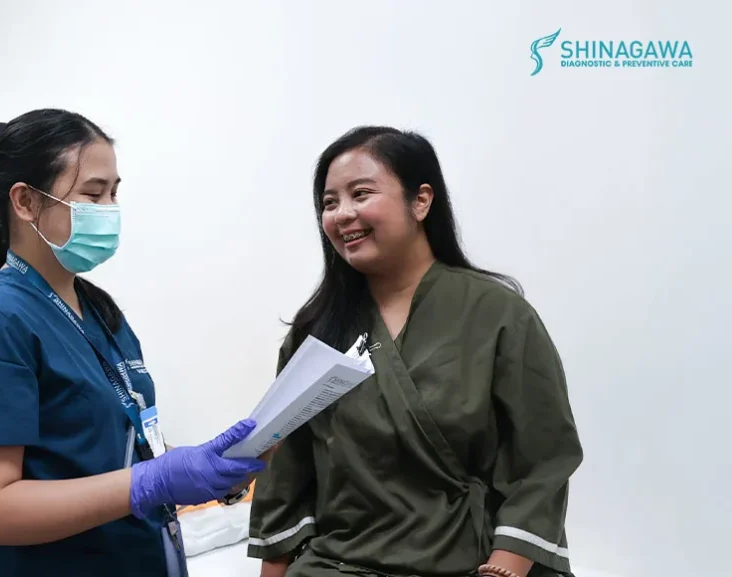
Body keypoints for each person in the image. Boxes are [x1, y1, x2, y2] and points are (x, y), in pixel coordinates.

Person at [0, 108, 266, 577]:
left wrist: (209, 473)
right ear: (24, 201)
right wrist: (151, 481)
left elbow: (121, 445)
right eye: (92, 194)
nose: (109, 210)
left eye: (114, 193)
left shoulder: (98, 310)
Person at [247, 126, 583, 577]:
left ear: (421, 201)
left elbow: (543, 457)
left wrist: (506, 566)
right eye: (329, 203)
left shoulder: (499, 314)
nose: (342, 214)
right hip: (342, 565)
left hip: (474, 560)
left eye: (360, 194)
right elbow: (286, 476)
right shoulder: (317, 332)